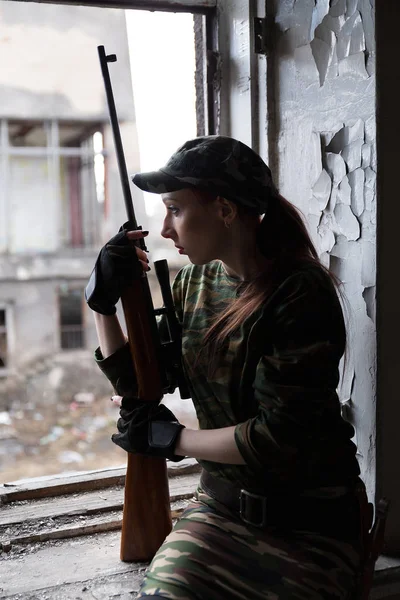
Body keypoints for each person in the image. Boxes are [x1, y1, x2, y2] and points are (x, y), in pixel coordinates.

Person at [86, 136, 368, 599]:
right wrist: (102, 303)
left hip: (312, 525)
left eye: (175, 209)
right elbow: (142, 382)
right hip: (220, 512)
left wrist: (171, 438)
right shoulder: (197, 283)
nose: (165, 229)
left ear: (225, 210)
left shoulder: (299, 293)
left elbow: (279, 438)